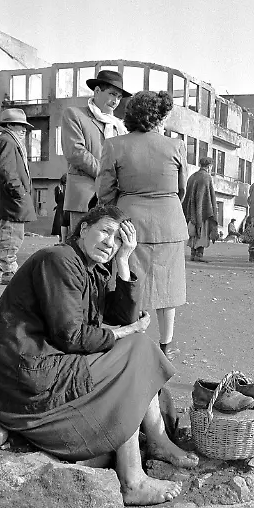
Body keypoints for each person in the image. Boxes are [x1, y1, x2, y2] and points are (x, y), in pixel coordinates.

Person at [0, 205, 197, 506]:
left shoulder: (91, 267)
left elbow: (121, 317)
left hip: (42, 363)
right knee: (134, 352)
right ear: (84, 229)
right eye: (105, 232)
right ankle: (133, 478)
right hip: (21, 373)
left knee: (135, 350)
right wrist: (125, 332)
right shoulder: (58, 260)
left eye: (118, 239)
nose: (110, 243)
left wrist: (124, 260)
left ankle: (157, 441)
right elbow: (70, 335)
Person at [97, 90, 187, 361]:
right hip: (169, 224)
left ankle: (132, 342)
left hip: (130, 223)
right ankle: (166, 345)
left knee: (130, 283)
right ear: (158, 116)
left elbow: (104, 192)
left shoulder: (114, 145)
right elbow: (181, 188)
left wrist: (124, 204)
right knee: (168, 288)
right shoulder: (176, 146)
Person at [62, 69, 130, 230]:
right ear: (97, 91)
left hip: (112, 200)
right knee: (80, 242)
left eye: (119, 97)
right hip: (85, 198)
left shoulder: (119, 126)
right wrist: (107, 176)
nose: (115, 101)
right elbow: (76, 152)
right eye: (112, 94)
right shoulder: (74, 114)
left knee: (107, 244)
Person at [0, 108, 37, 284]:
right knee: (12, 235)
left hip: (9, 197)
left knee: (6, 233)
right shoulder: (8, 141)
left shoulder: (5, 140)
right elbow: (7, 171)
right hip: (12, 199)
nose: (24, 129)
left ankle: (1, 270)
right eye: (19, 125)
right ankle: (7, 271)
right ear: (9, 125)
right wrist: (20, 192)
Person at [182, 157, 218, 263]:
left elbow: (187, 196)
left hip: (192, 211)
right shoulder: (207, 177)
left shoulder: (192, 177)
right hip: (204, 211)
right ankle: (199, 254)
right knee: (202, 233)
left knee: (193, 232)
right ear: (209, 166)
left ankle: (193, 254)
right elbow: (209, 197)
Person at [51, 174, 69, 243]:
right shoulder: (59, 188)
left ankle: (62, 240)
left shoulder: (59, 188)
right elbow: (57, 199)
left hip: (62, 207)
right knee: (61, 223)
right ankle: (62, 239)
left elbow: (57, 199)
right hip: (63, 207)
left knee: (62, 223)